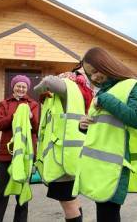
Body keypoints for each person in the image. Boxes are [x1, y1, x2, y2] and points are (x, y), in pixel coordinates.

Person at [73, 47, 137, 222]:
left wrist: (106, 100)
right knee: (104, 212)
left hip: (117, 164)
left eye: (95, 71)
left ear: (106, 64)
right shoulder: (102, 93)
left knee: (108, 214)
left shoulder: (129, 85)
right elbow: (102, 126)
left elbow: (136, 118)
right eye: (90, 74)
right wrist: (84, 125)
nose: (94, 77)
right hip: (99, 166)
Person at [34, 68, 93, 222]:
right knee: (72, 199)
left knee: (68, 203)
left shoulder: (69, 88)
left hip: (61, 158)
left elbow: (47, 82)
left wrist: (38, 88)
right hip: (69, 156)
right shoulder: (82, 92)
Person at [0, 75, 39, 222]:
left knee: (22, 194)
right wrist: (14, 117)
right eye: (18, 86)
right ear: (13, 87)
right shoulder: (4, 103)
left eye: (24, 86)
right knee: (1, 193)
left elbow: (36, 128)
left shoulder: (33, 104)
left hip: (24, 156)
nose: (21, 89)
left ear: (27, 88)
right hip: (6, 155)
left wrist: (30, 117)